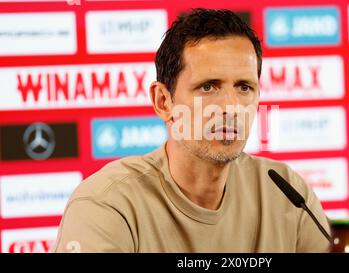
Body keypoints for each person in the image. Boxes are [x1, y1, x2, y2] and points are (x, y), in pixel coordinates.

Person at [53, 8, 330, 253]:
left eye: (244, 87)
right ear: (163, 102)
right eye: (208, 87)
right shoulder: (107, 204)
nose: (231, 107)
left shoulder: (287, 193)